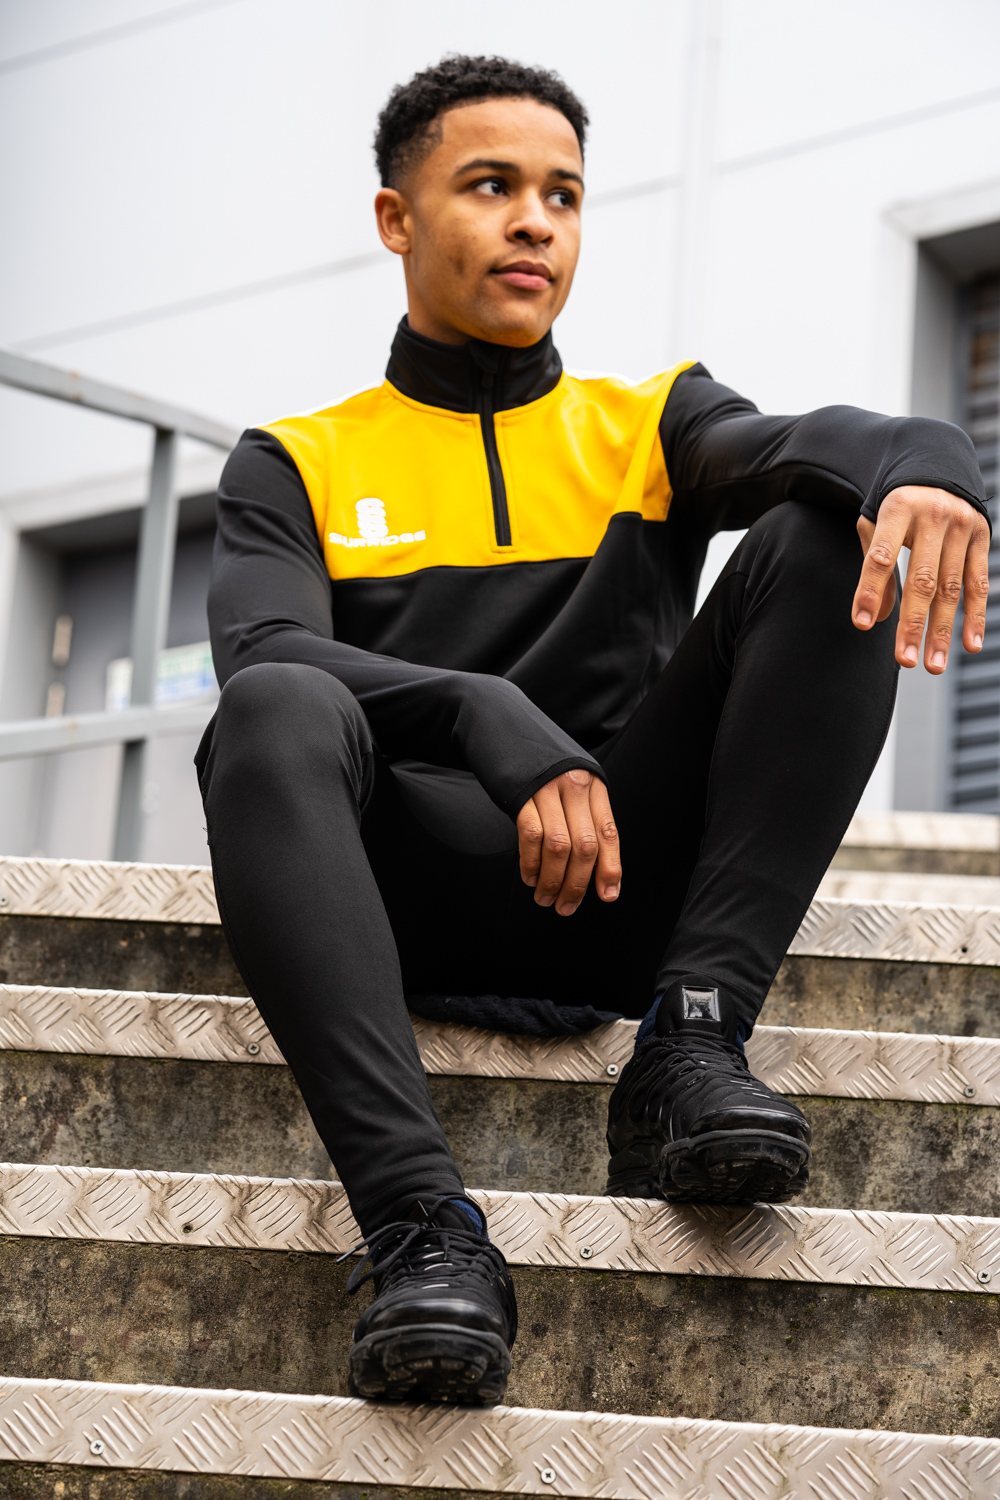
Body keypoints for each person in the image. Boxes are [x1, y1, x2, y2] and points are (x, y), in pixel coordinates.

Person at [197, 55, 990, 1407]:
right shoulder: (299, 460)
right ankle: (424, 1230)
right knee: (272, 707)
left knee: (823, 533)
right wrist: (485, 712)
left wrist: (931, 463)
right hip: (395, 900)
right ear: (396, 218)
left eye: (562, 195)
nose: (534, 222)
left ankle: (691, 1045)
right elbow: (262, 649)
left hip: (624, 892)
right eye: (489, 186)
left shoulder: (645, 425)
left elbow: (807, 442)